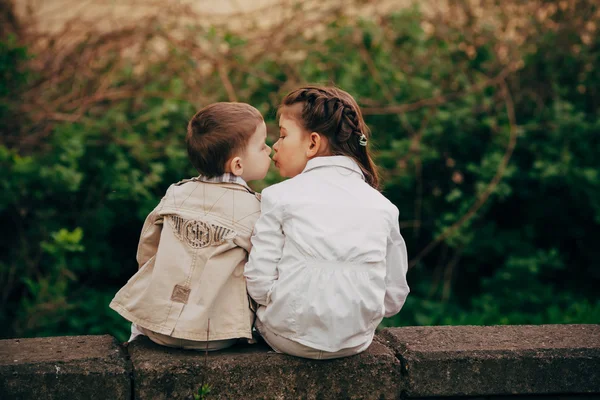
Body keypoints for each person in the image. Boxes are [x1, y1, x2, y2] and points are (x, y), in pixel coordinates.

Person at [245, 86, 409, 359]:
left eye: (283, 135)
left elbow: (259, 283)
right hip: (354, 341)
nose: (275, 145)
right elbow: (394, 296)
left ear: (312, 143)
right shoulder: (384, 207)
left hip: (287, 336)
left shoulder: (278, 196)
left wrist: (286, 300)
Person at [110, 102, 271, 350]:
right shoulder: (255, 210)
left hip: (155, 325)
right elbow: (261, 270)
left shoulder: (176, 194)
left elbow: (147, 249)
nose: (269, 150)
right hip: (216, 333)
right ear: (238, 165)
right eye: (262, 146)